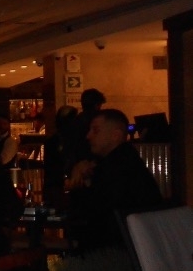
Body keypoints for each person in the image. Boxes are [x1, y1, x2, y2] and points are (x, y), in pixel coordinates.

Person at [67, 107, 163, 252]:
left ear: (116, 135)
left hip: (120, 252)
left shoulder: (116, 167)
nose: (88, 136)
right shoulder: (124, 161)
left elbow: (89, 213)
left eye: (95, 130)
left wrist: (78, 184)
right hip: (138, 248)